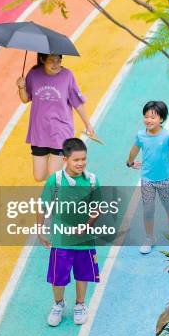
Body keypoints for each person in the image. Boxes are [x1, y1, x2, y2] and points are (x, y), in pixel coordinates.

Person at [38, 138, 101, 326]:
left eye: (84, 159)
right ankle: (58, 304)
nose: (81, 163)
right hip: (61, 239)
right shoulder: (55, 180)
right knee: (58, 277)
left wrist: (87, 226)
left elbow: (97, 209)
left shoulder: (92, 181)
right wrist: (41, 231)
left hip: (84, 240)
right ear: (65, 159)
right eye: (76, 160)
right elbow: (42, 206)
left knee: (83, 274)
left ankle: (80, 305)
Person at [16, 53, 95, 182]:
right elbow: (25, 99)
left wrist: (88, 124)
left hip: (60, 131)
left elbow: (77, 102)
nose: (56, 64)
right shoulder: (34, 74)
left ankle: (57, 197)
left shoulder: (67, 76)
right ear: (42, 60)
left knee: (53, 174)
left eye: (59, 60)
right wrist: (21, 87)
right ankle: (68, 181)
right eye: (52, 61)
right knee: (39, 176)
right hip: (39, 132)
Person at [126, 101, 169, 254]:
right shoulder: (141, 135)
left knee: (167, 203)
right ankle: (149, 237)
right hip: (147, 179)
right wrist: (130, 162)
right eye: (146, 117)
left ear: (161, 119)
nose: (148, 120)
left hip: (165, 178)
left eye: (153, 117)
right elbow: (134, 150)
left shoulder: (167, 135)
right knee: (148, 209)